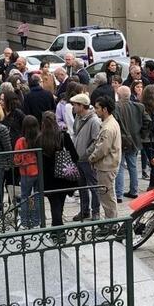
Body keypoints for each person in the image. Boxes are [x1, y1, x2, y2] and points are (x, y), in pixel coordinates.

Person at [40, 112, 80, 227]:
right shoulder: (63, 136)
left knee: (54, 203)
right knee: (59, 203)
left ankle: (57, 227)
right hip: (63, 176)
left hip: (47, 178)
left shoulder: (40, 138)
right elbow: (75, 156)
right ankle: (57, 227)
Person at [89, 97, 122, 219]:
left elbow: (102, 149)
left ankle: (111, 223)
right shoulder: (110, 123)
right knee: (107, 195)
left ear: (105, 109)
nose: (95, 111)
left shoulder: (108, 127)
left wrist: (91, 158)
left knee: (107, 197)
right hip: (108, 165)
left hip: (106, 167)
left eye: (97, 108)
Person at [70, 93, 101, 221]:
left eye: (75, 105)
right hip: (78, 158)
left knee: (93, 186)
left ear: (82, 106)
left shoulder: (94, 121)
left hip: (87, 160)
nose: (73, 107)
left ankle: (96, 212)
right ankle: (84, 210)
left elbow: (96, 141)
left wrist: (86, 153)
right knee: (81, 186)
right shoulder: (78, 117)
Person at [114, 86, 144, 201]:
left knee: (120, 167)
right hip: (134, 141)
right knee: (133, 166)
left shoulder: (116, 107)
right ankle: (134, 190)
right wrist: (141, 134)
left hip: (121, 141)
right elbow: (147, 121)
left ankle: (119, 194)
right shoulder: (138, 107)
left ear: (119, 95)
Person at [14, 115, 42, 227]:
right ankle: (37, 221)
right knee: (38, 196)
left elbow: (17, 159)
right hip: (39, 171)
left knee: (25, 197)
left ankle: (24, 222)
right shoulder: (40, 138)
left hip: (26, 172)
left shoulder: (21, 141)